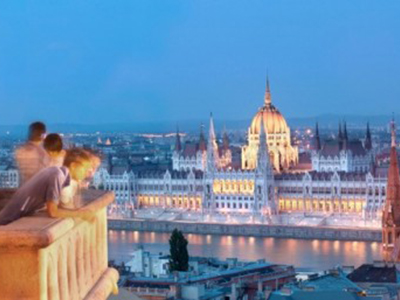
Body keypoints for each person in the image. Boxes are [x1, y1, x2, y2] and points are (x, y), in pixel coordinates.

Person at [0, 148, 96, 226]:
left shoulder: (55, 171)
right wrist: (81, 214)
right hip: (8, 222)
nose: (87, 173)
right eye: (85, 168)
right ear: (74, 165)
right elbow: (52, 211)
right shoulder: (57, 176)